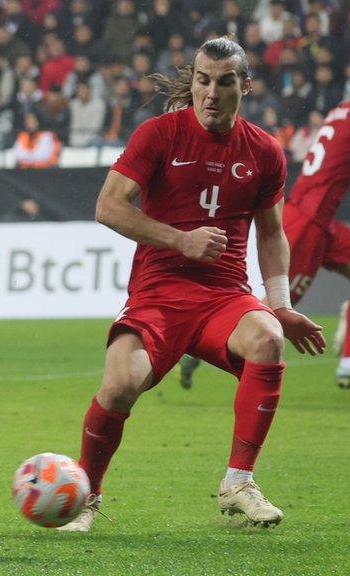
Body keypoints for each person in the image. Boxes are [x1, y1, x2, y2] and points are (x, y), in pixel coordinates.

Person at [58, 38, 325, 533]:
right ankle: (86, 498)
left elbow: (271, 232)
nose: (211, 93)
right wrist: (180, 241)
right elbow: (108, 206)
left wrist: (280, 305)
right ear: (193, 81)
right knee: (117, 388)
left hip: (224, 296)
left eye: (224, 82)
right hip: (157, 295)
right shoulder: (159, 135)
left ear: (244, 86)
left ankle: (238, 482)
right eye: (203, 80)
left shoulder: (265, 151)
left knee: (267, 339)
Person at [180, 100, 350, 389]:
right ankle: (198, 343)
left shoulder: (341, 110)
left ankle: (347, 360)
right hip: (311, 219)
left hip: (320, 218)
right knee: (277, 310)